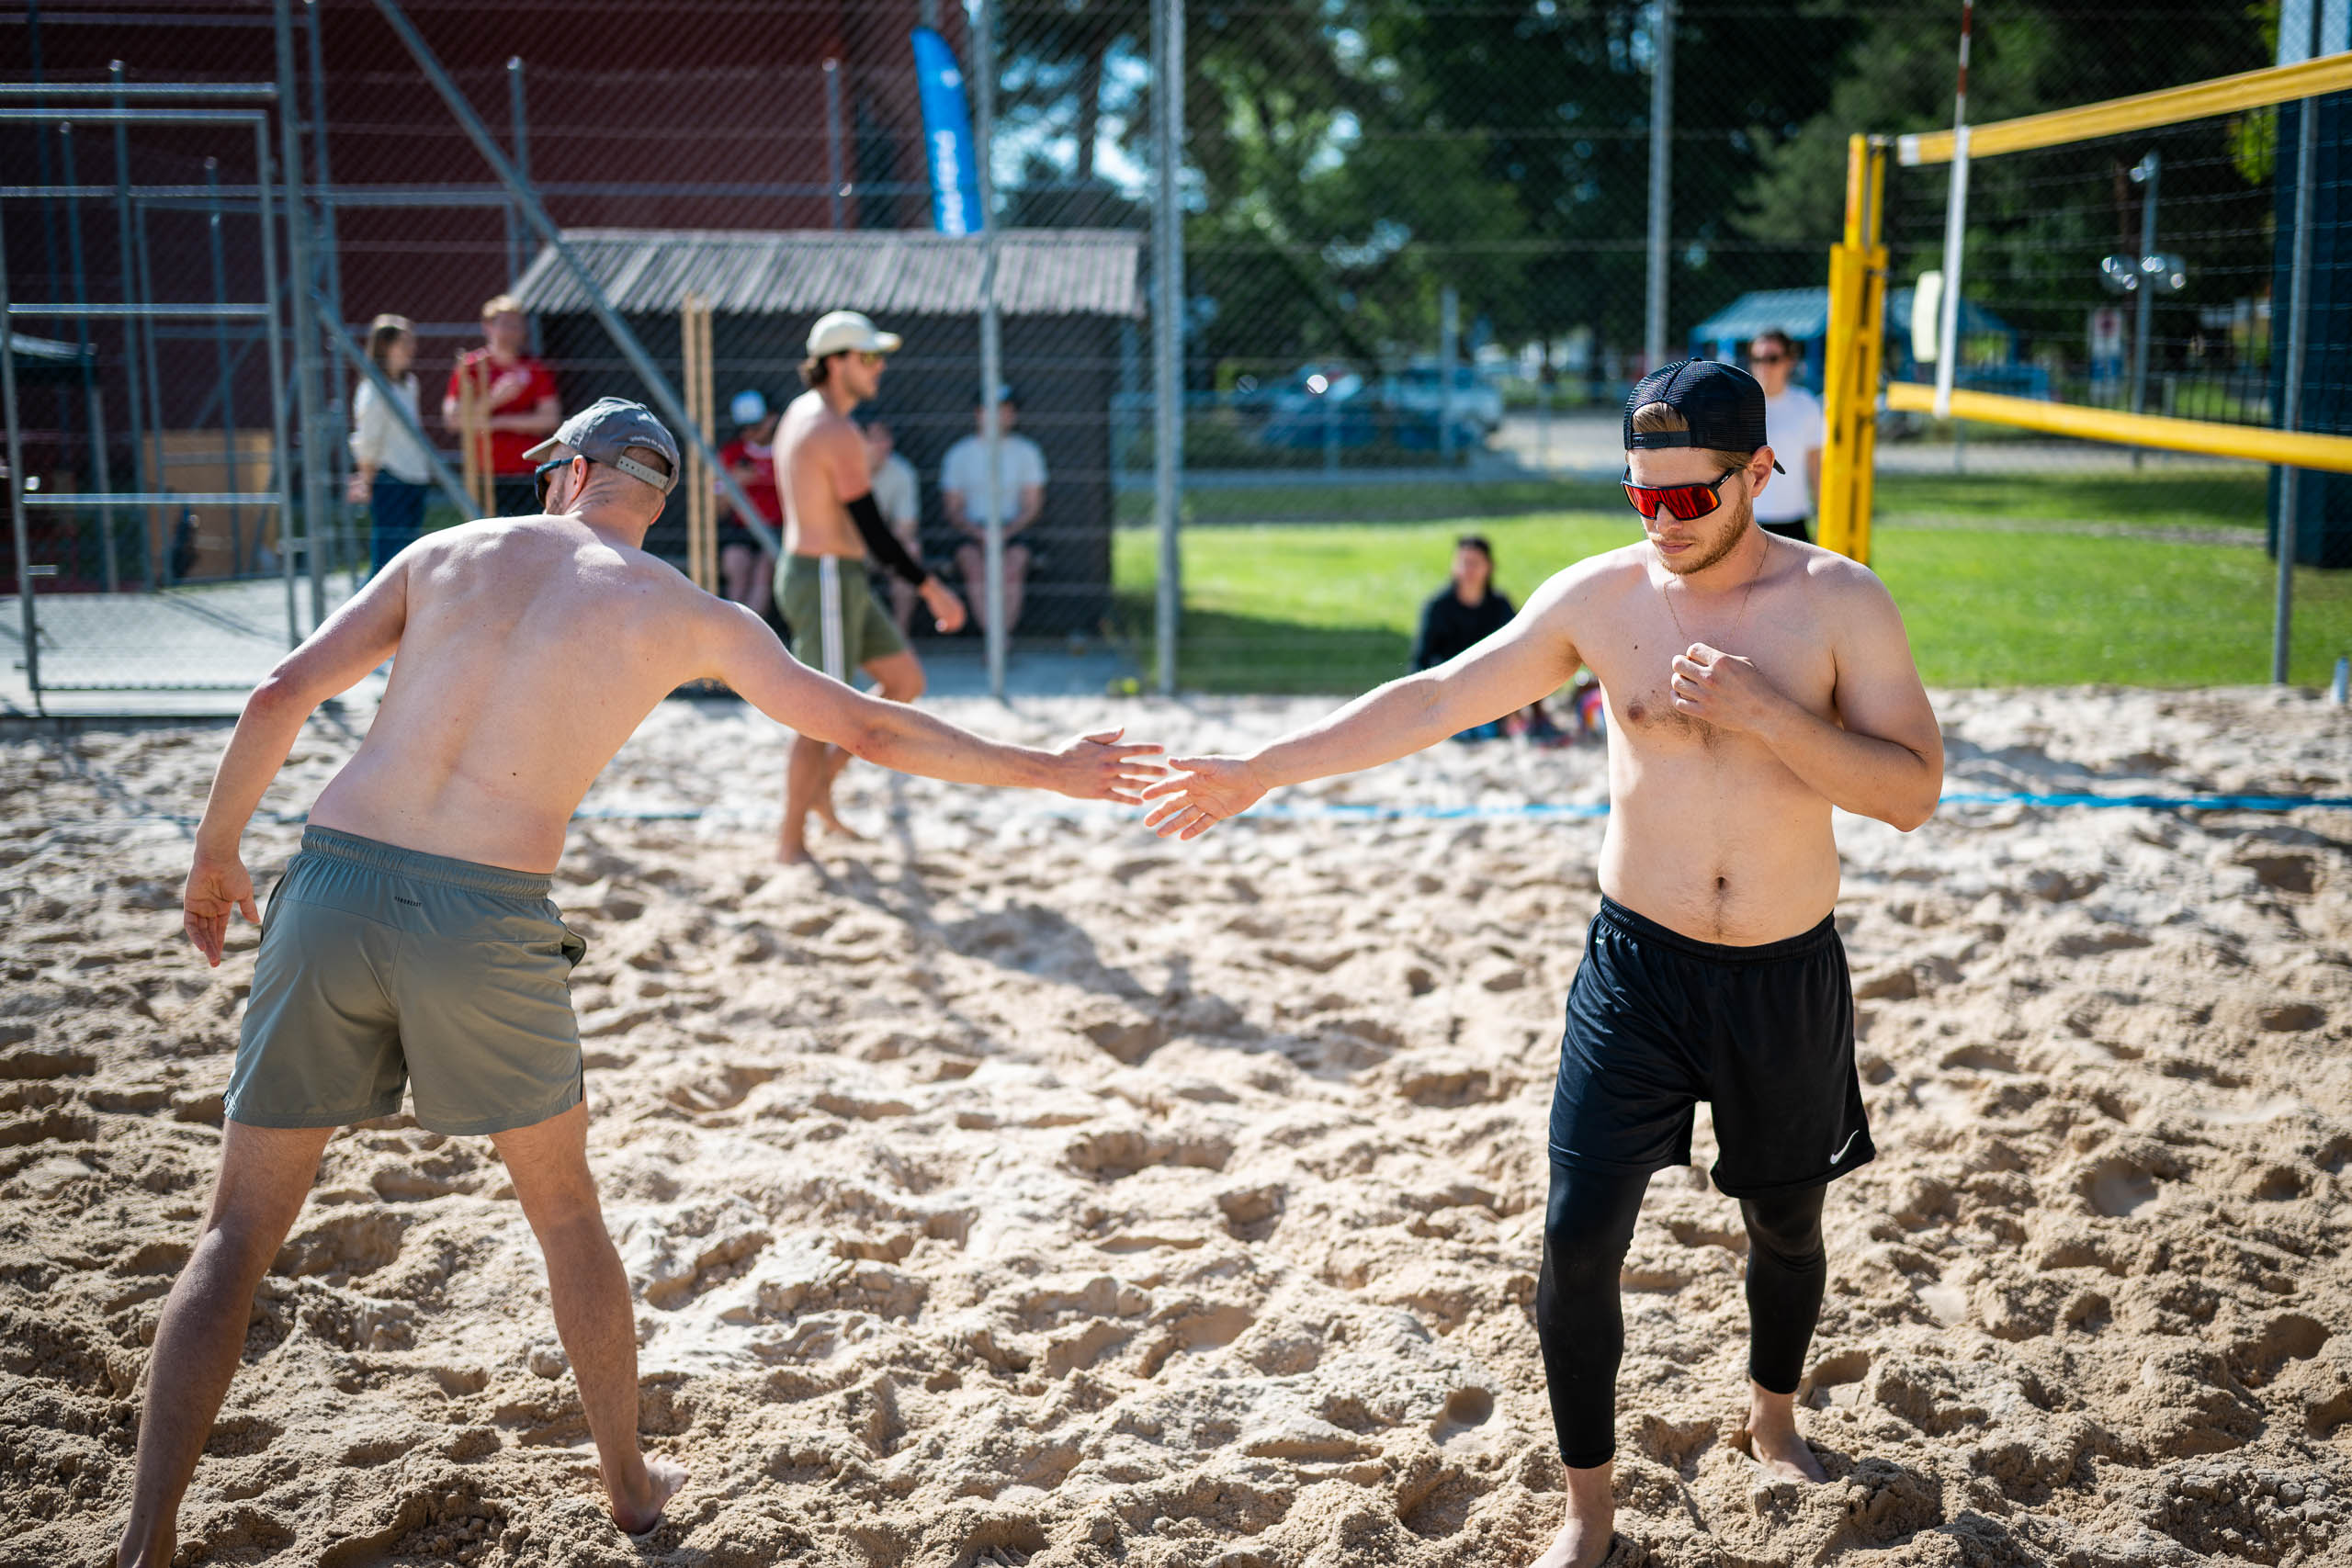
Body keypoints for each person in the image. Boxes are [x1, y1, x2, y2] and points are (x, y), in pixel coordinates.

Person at [127, 398, 1161, 1568]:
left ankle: (147, 1541)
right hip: (485, 913)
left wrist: (216, 853)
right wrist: (1050, 769)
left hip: (333, 884)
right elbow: (867, 728)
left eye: (547, 474)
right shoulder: (686, 613)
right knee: (566, 1215)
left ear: (570, 474)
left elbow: (279, 693)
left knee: (235, 1234)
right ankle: (627, 1486)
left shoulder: (446, 552)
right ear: (652, 500)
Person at [1139, 360, 1943, 1568]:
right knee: (1576, 1237)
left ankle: (1773, 1419)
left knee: (1785, 1223)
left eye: (1690, 498)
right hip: (1638, 967)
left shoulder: (1839, 601)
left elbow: (1913, 793)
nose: (1662, 521)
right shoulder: (1601, 597)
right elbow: (1435, 699)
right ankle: (1587, 1512)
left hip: (1783, 971)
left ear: (1759, 473)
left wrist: (1771, 714)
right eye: (1640, 495)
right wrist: (1260, 770)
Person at [775, 310, 969, 863]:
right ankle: (789, 842)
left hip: (838, 576)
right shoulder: (831, 428)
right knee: (818, 716)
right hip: (825, 578)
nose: (879, 367)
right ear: (836, 363)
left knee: (905, 680)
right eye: (869, 357)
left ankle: (821, 788)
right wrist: (931, 588)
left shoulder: (812, 413)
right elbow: (875, 531)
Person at [1412, 535, 1561, 744]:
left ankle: (1535, 718)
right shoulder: (1438, 607)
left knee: (1529, 658)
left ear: (1488, 567)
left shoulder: (1499, 605)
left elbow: (1523, 646)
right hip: (1452, 686)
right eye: (1463, 562)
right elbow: (1421, 660)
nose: (1468, 570)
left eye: (1475, 563)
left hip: (1492, 684)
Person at [941, 387, 1046, 638]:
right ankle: (994, 640)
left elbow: (1032, 506)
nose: (1002, 416)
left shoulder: (1027, 452)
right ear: (979, 413)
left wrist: (1005, 532)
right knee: (974, 565)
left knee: (1013, 565)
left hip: (1013, 529)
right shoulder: (959, 454)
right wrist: (980, 533)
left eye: (1007, 410)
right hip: (972, 530)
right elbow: (953, 510)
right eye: (995, 410)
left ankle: (1001, 641)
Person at [442, 293, 560, 517]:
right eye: (506, 324)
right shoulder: (471, 367)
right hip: (483, 472)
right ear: (487, 326)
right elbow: (453, 420)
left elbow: (549, 419)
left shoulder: (534, 368)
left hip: (527, 471)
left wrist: (493, 422)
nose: (513, 331)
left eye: (517, 325)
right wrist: (494, 399)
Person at [347, 314, 433, 580]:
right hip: (390, 477)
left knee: (410, 556)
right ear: (385, 346)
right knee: (387, 561)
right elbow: (368, 440)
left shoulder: (409, 384)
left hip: (415, 475)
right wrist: (366, 479)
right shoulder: (373, 389)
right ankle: (370, 604)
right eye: (404, 343)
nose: (412, 349)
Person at [1747, 330, 1824, 543]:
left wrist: (1823, 516)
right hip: (1749, 518)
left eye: (1772, 359)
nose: (1764, 366)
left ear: (1789, 361)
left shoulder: (1806, 404)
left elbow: (1815, 465)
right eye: (1757, 359)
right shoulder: (1741, 406)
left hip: (1794, 519)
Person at [717, 389, 782, 614]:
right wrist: (733, 485)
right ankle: (734, 627)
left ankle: (751, 629)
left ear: (771, 418)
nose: (748, 433)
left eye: (754, 426)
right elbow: (719, 509)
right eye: (743, 428)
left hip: (778, 530)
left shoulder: (786, 450)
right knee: (736, 565)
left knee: (764, 572)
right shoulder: (732, 454)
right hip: (742, 530)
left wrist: (762, 479)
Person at [863, 418, 924, 634]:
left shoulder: (901, 471)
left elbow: (906, 526)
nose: (885, 445)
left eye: (887, 438)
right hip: (844, 547)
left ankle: (899, 637)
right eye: (876, 439)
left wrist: (879, 544)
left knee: (911, 551)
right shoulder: (841, 468)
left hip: (883, 545)